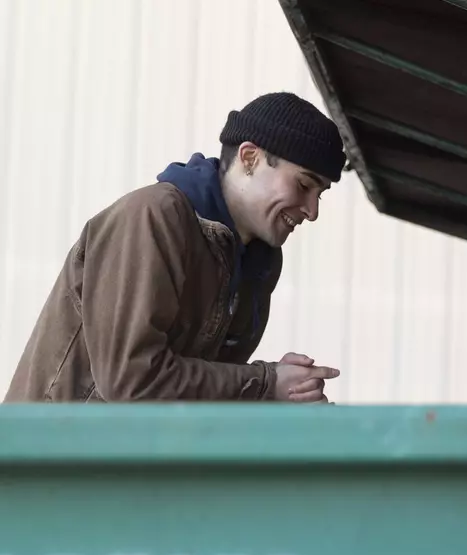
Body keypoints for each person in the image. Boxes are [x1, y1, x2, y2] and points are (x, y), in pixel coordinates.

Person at [4, 92, 345, 403]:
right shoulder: (152, 218)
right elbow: (130, 381)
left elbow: (203, 396)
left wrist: (283, 392)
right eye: (303, 185)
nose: (312, 212)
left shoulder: (260, 259)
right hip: (48, 463)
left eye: (320, 194)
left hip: (130, 465)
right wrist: (264, 383)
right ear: (250, 157)